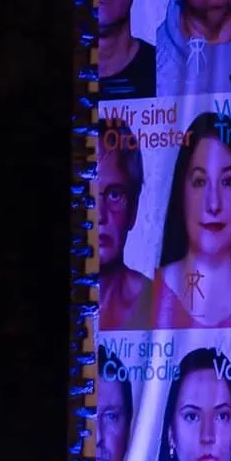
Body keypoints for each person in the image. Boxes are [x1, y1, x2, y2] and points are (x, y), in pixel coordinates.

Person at [150, 114, 231, 330]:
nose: (213, 204)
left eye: (228, 182)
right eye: (200, 182)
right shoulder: (146, 294)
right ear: (181, 192)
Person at [91, 118, 157, 332]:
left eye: (115, 194)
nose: (99, 215)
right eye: (88, 195)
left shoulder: (158, 304)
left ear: (134, 209)